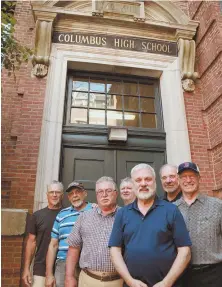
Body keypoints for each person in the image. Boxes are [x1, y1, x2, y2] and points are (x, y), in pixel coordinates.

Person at [109, 163, 191, 287]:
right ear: (133, 184)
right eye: (138, 180)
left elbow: (185, 251)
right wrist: (130, 281)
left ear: (154, 182)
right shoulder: (122, 214)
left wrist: (166, 283)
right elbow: (115, 250)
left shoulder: (171, 210)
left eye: (148, 179)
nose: (143, 183)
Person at [65, 176, 123, 287]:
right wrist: (69, 277)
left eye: (108, 191)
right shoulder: (84, 217)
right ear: (96, 195)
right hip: (88, 280)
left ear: (116, 193)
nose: (104, 194)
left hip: (118, 282)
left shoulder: (126, 216)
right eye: (100, 191)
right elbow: (73, 248)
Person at [175, 161, 222, 287]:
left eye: (192, 176)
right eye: (184, 177)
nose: (188, 180)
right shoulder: (171, 209)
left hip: (214, 274)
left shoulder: (217, 205)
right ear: (178, 180)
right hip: (181, 275)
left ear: (199, 178)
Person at [45, 181, 92, 287]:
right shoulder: (61, 215)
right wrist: (49, 275)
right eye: (71, 193)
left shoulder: (96, 210)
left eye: (78, 192)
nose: (74, 195)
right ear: (68, 197)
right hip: (63, 265)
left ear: (85, 193)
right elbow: (53, 245)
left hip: (88, 265)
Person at [22, 180, 64, 287]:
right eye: (51, 192)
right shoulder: (37, 216)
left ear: (62, 195)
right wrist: (26, 269)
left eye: (57, 192)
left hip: (63, 269)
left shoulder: (68, 214)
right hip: (40, 269)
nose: (54, 195)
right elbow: (31, 243)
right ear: (47, 195)